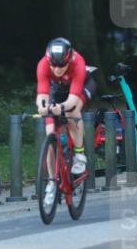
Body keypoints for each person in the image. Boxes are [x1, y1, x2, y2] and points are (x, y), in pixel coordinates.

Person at [36, 38, 96, 206]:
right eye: (53, 65)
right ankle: (52, 182)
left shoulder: (78, 63)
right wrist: (42, 106)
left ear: (69, 60)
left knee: (72, 111)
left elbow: (71, 101)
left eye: (61, 65)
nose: (56, 69)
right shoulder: (42, 65)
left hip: (82, 86)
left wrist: (60, 108)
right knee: (50, 137)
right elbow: (41, 95)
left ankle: (79, 154)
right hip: (58, 90)